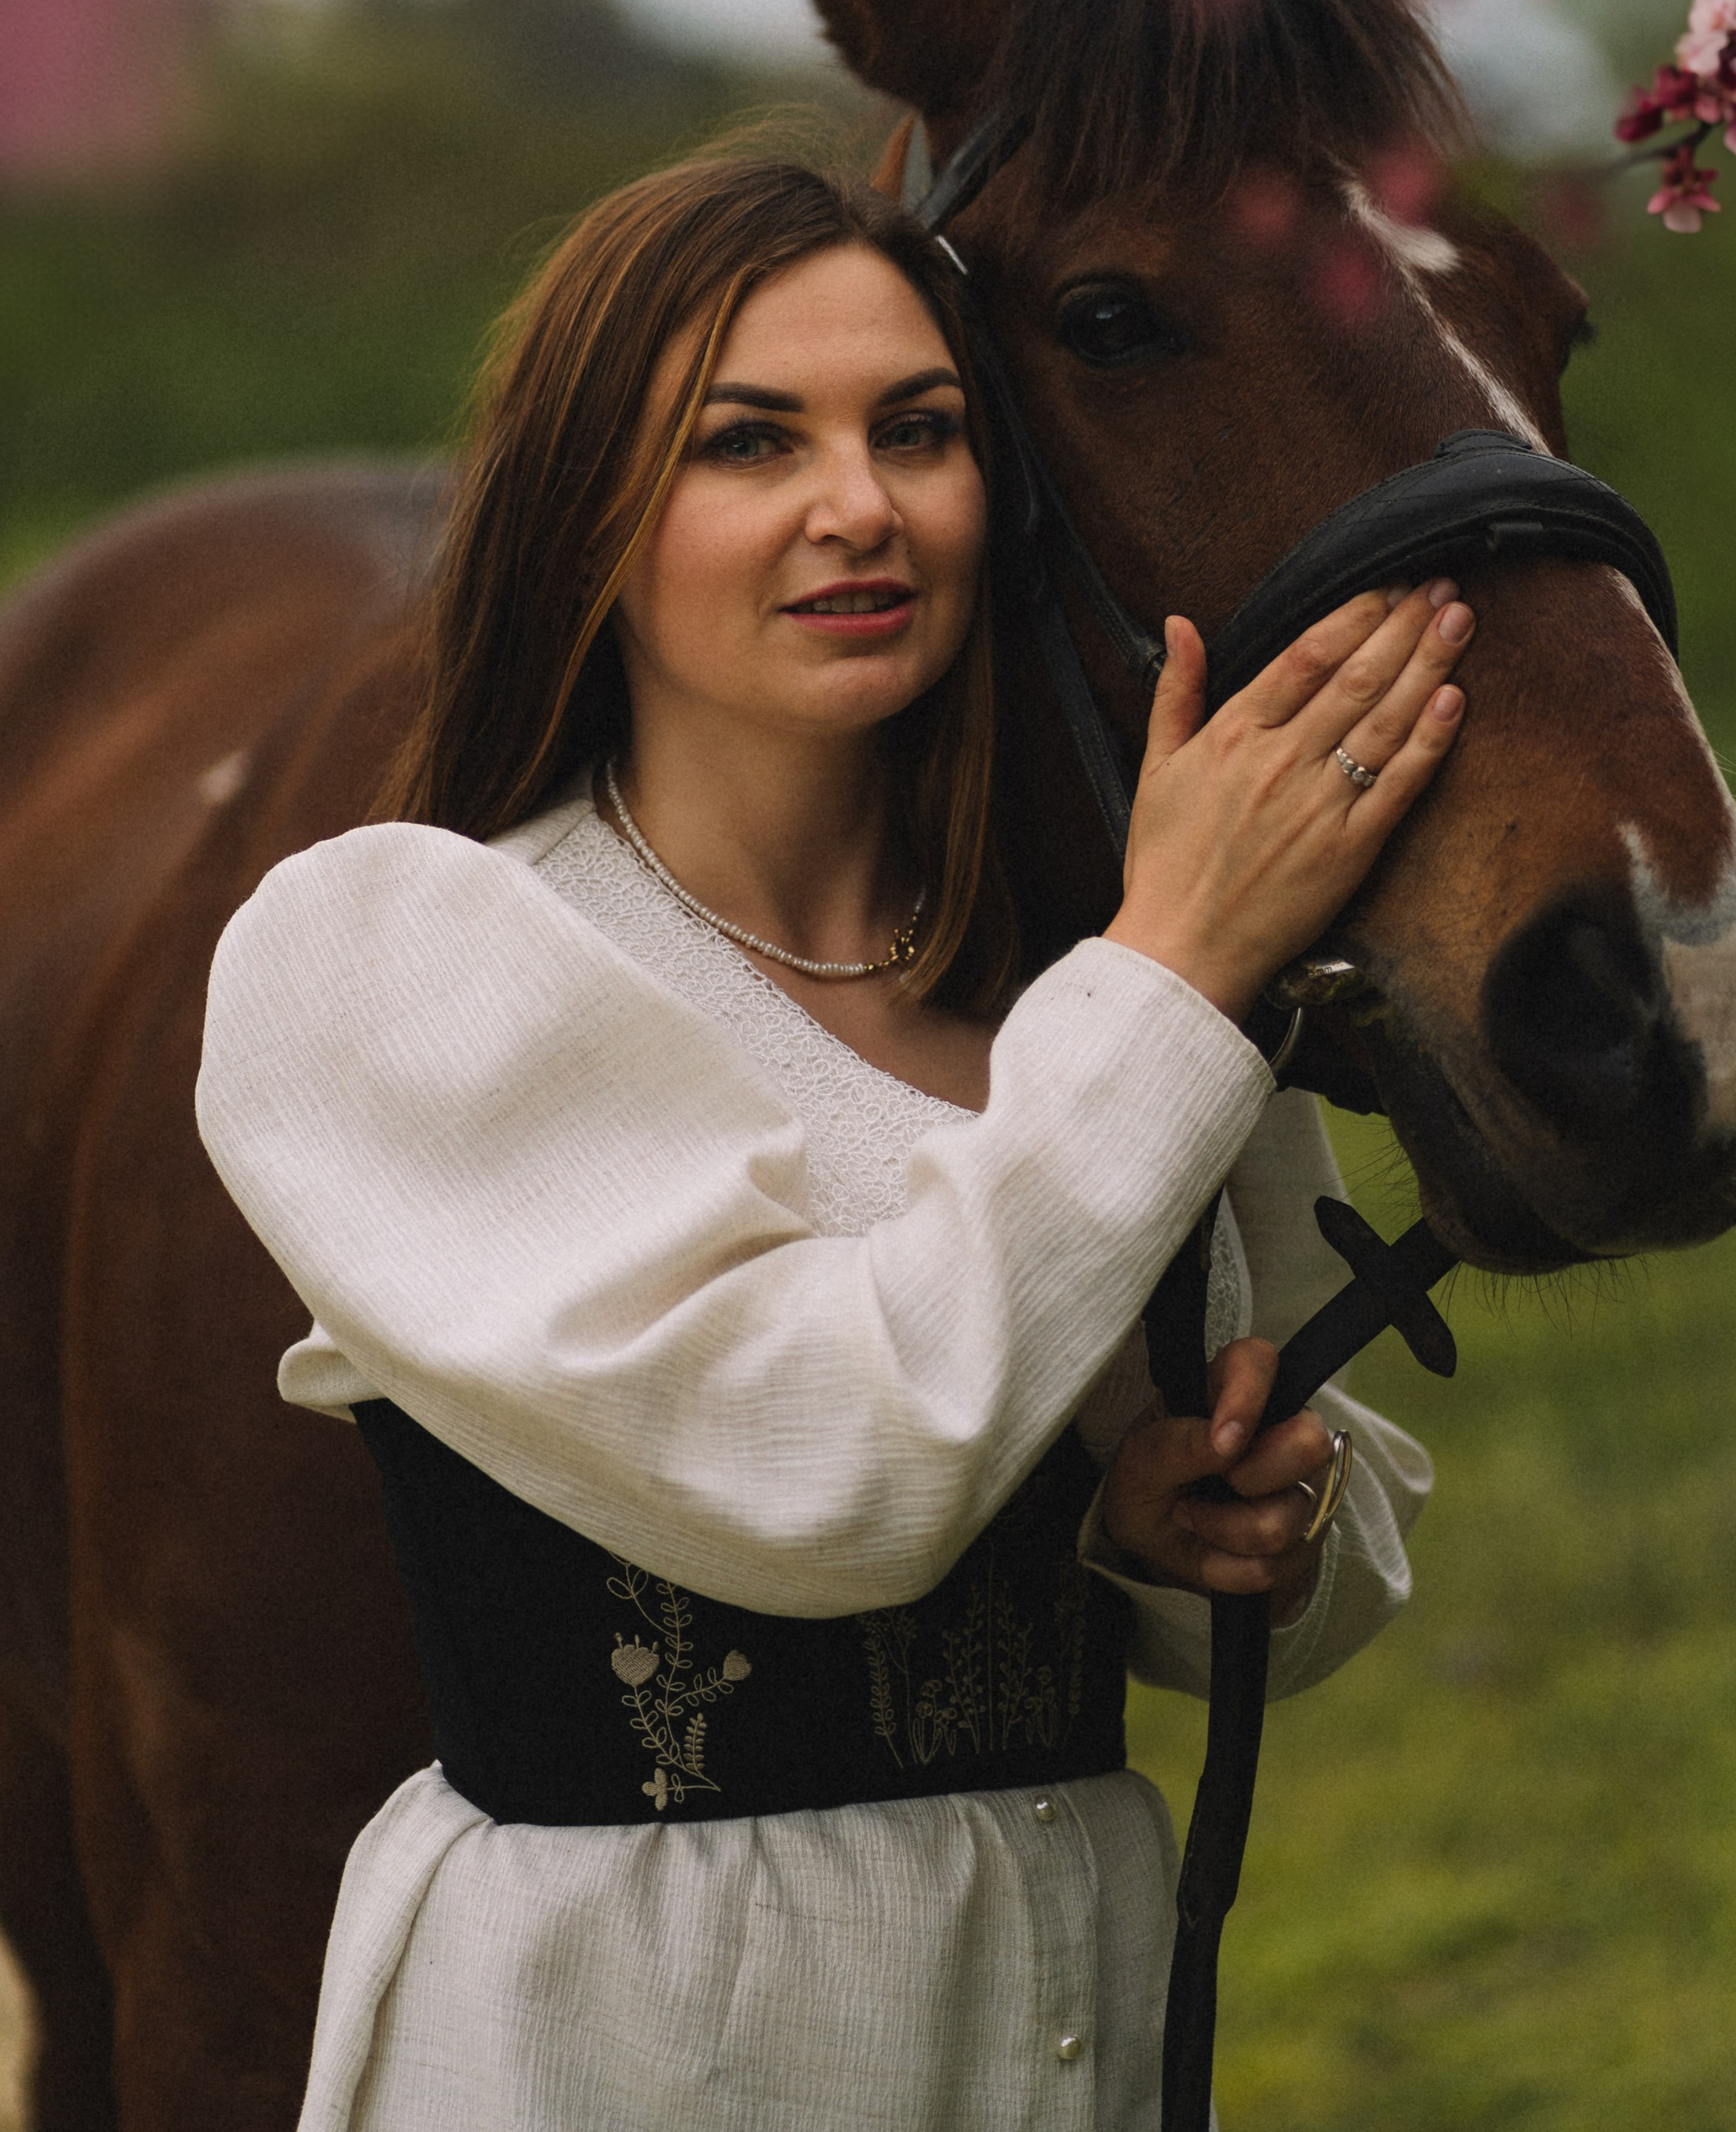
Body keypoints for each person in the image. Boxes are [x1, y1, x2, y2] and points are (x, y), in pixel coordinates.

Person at [197, 152, 1469, 2132]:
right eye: (744, 443)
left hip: (1065, 2026)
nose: (857, 506)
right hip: (631, 2051)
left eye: (921, 430)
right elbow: (836, 1464)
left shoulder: (1089, 992)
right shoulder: (405, 961)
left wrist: (1196, 1535)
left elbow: (1320, 1563)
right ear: (588, 519)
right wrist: (1179, 964)